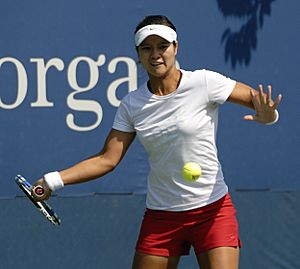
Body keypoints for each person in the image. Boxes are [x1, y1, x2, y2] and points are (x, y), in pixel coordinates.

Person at [32, 15, 282, 269]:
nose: (156, 55)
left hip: (212, 211)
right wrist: (53, 180)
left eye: (162, 46)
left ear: (176, 47)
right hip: (162, 216)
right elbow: (107, 159)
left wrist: (268, 115)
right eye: (147, 48)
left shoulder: (204, 82)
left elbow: (258, 101)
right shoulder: (132, 104)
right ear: (138, 54)